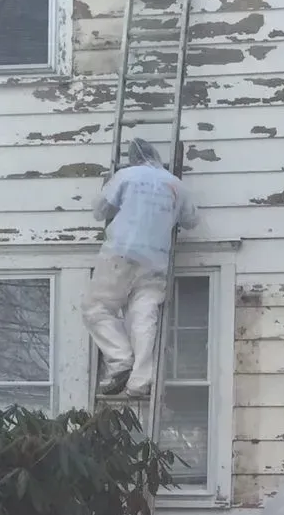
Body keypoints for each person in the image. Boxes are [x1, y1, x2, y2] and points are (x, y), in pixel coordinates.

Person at [82, 138, 200, 397]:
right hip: (156, 261)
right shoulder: (176, 184)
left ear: (133, 157)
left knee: (96, 308)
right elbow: (192, 220)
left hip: (121, 253)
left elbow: (100, 211)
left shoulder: (127, 175)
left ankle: (120, 359)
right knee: (143, 318)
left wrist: (107, 188)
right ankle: (140, 381)